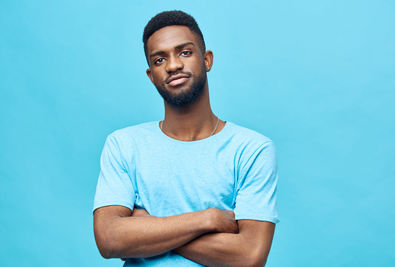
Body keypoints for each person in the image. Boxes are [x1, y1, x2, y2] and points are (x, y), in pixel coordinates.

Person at [93, 10, 279, 267]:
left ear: (207, 60)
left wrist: (145, 229)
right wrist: (208, 219)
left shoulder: (252, 149)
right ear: (151, 76)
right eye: (159, 60)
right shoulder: (124, 144)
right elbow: (109, 240)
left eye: (184, 52)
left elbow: (249, 256)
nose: (172, 65)